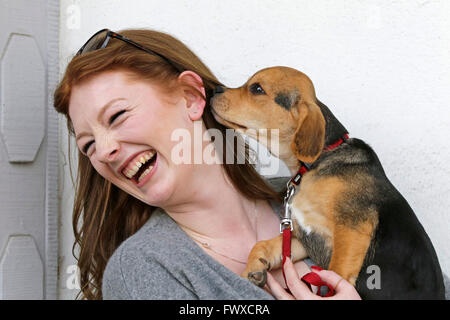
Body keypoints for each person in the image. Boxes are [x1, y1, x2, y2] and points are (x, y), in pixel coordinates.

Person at [54, 28, 361, 300]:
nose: (105, 151)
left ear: (190, 96)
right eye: (88, 145)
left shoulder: (316, 198)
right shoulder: (142, 270)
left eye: (117, 116)